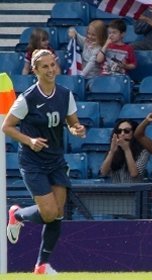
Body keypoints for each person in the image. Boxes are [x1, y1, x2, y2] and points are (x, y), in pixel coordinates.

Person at [2, 49, 86, 274]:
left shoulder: (65, 94)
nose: (50, 70)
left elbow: (72, 122)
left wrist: (77, 129)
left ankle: (42, 265)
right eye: (45, 66)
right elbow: (6, 127)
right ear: (35, 70)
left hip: (55, 160)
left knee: (58, 213)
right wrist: (29, 140)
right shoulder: (27, 97)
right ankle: (16, 214)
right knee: (48, 213)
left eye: (52, 65)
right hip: (32, 162)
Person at [68, 20, 107, 89]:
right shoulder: (86, 42)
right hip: (82, 77)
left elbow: (91, 63)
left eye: (93, 35)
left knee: (90, 87)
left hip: (93, 78)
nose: (90, 36)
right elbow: (75, 33)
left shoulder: (99, 49)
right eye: (88, 33)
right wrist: (72, 31)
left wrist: (81, 75)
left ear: (101, 36)